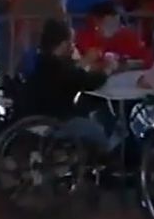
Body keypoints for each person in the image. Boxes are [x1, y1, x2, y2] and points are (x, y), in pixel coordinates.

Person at [27, 19, 117, 151]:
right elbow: (90, 82)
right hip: (56, 121)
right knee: (97, 131)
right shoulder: (61, 68)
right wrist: (108, 69)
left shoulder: (41, 61)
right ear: (64, 44)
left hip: (32, 118)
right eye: (71, 42)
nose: (73, 46)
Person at [75, 1, 154, 68]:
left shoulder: (127, 35)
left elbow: (147, 59)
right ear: (96, 20)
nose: (115, 24)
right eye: (111, 19)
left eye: (116, 20)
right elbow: (81, 64)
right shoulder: (84, 37)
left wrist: (127, 64)